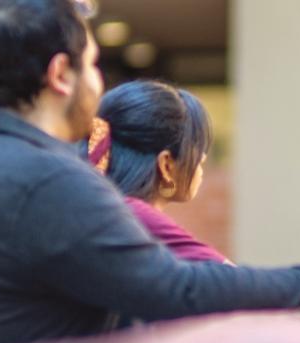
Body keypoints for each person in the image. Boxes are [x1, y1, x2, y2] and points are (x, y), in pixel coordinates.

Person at [0, 0, 300, 343]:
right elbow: (172, 289)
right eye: (93, 63)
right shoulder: (45, 179)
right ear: (61, 74)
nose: (98, 83)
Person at [84, 80, 230, 265]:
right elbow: (234, 282)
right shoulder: (132, 213)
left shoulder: (102, 209)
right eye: (196, 152)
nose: (202, 158)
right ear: (166, 166)